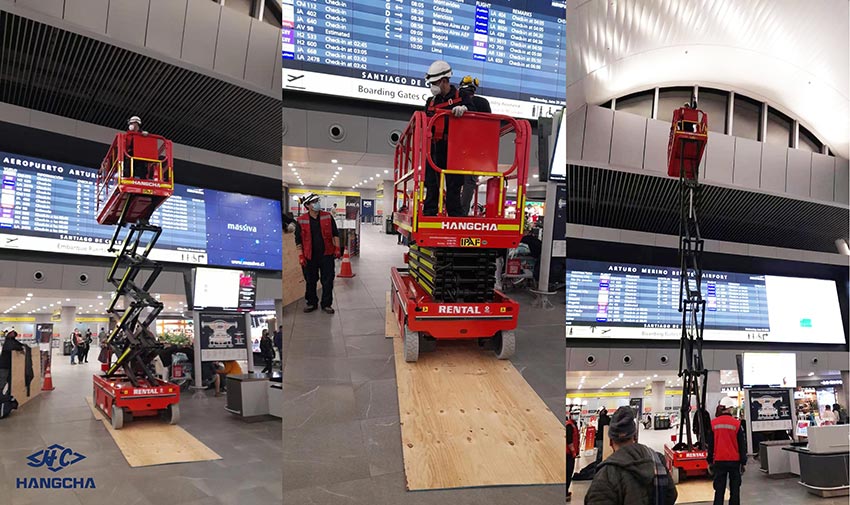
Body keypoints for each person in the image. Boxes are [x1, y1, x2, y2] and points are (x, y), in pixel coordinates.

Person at [422, 61, 483, 217]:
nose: (432, 86)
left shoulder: (461, 96)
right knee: (432, 183)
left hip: (455, 149)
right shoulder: (431, 101)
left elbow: (475, 114)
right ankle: (429, 214)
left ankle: (455, 217)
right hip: (434, 148)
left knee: (454, 185)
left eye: (434, 83)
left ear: (444, 81)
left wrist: (465, 109)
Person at [585, 406, 678, 505]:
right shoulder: (657, 460)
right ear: (635, 437)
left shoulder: (606, 474)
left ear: (611, 442)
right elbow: (671, 495)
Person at [295, 193, 341, 314]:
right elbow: (298, 241)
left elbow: (335, 234)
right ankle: (311, 303)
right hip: (309, 256)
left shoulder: (327, 216)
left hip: (326, 254)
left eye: (317, 200)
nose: (317, 203)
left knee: (328, 280)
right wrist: (301, 256)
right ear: (307, 205)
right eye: (314, 201)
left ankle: (326, 304)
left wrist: (337, 249)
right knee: (310, 281)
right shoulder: (301, 220)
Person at [456, 76, 491, 216]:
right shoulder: (483, 103)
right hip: (477, 149)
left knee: (453, 179)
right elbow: (489, 124)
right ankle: (462, 212)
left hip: (458, 146)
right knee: (470, 182)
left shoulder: (457, 101)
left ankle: (454, 209)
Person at [708, 397, 747, 505]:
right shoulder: (737, 424)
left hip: (719, 461)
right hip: (735, 461)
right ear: (729, 409)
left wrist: (710, 461)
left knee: (719, 490)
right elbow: (742, 445)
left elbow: (710, 445)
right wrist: (743, 462)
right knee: (735, 490)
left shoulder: (713, 423)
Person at [0, 330, 25, 397]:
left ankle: (7, 394)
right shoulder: (7, 342)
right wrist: (20, 348)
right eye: (12, 333)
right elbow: (12, 347)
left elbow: (18, 344)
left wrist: (24, 346)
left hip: (9, 365)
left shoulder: (12, 340)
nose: (13, 334)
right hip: (4, 366)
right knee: (3, 380)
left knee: (9, 381)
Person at [565, 409, 581, 502]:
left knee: (569, 473)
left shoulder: (573, 425)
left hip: (571, 454)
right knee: (568, 473)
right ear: (570, 415)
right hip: (568, 454)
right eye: (574, 414)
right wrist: (573, 451)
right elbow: (569, 440)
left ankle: (566, 491)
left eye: (577, 414)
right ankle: (565, 492)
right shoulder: (569, 426)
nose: (576, 415)